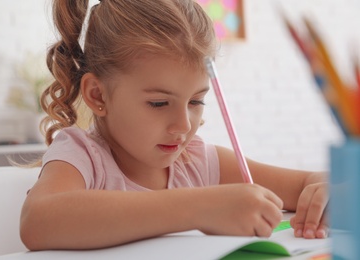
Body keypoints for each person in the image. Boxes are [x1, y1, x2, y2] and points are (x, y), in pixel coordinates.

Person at [20, 0, 329, 251]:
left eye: (196, 101)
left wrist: (324, 192)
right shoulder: (81, 155)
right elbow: (38, 221)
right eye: (159, 103)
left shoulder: (198, 162)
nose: (183, 125)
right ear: (98, 95)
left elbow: (308, 184)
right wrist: (200, 208)